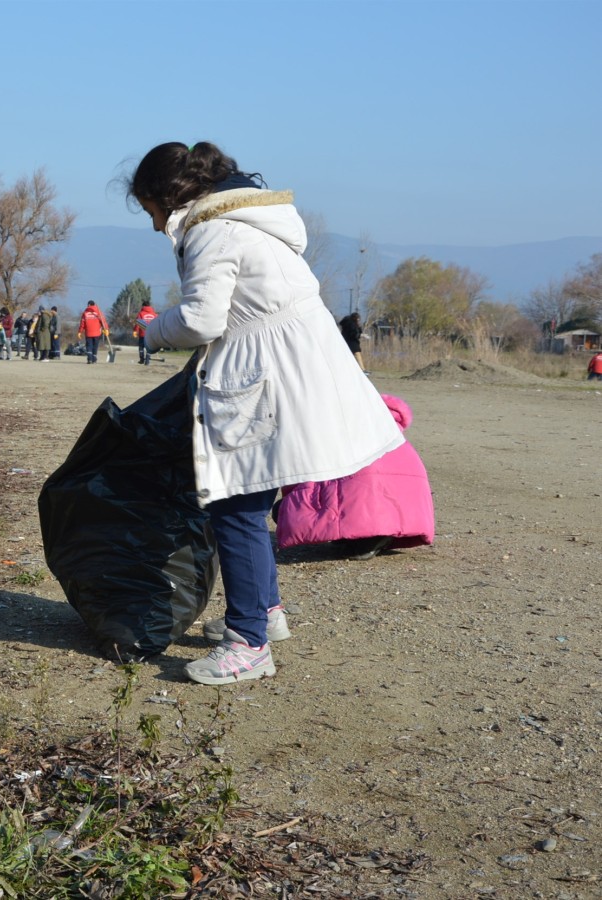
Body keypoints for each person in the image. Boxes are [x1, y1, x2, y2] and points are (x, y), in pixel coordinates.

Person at [127, 141, 402, 686]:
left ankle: (248, 642)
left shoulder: (211, 230)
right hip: (295, 365)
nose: (155, 226)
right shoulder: (244, 219)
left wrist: (153, 331)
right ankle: (265, 613)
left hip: (266, 374)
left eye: (151, 211)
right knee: (251, 499)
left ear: (166, 197)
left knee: (236, 506)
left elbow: (203, 319)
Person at [271, 393, 435, 561]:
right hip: (412, 517)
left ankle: (367, 538)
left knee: (284, 509)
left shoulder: (336, 434)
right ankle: (366, 534)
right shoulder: (395, 436)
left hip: (369, 512)